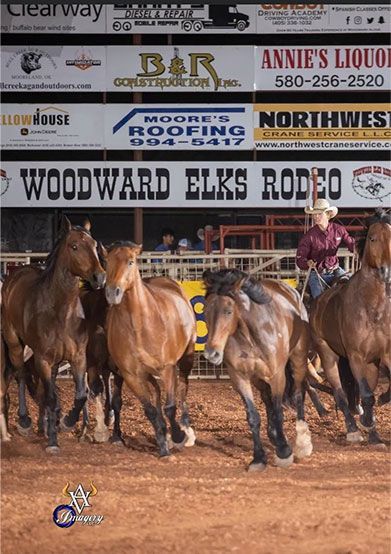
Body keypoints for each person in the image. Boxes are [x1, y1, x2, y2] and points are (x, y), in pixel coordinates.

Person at [296, 199, 355, 299]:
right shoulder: (309, 236)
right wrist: (307, 263)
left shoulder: (339, 230)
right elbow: (300, 259)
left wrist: (359, 248)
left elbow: (351, 243)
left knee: (353, 291)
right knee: (319, 300)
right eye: (314, 214)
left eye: (319, 214)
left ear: (328, 215)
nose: (316, 217)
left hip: (335, 270)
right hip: (316, 273)